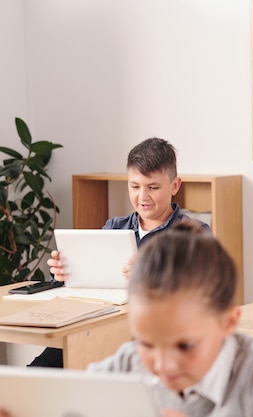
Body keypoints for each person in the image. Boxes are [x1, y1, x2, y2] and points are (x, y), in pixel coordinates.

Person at [84, 220, 253, 417]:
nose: (164, 365)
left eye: (185, 346)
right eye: (147, 344)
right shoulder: (129, 364)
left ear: (227, 322)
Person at [30, 137, 210, 368]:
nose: (142, 196)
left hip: (156, 336)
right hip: (98, 326)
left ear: (174, 186)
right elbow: (90, 284)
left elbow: (205, 291)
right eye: (134, 186)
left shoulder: (193, 233)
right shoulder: (115, 227)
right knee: (41, 370)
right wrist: (65, 274)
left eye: (153, 187)